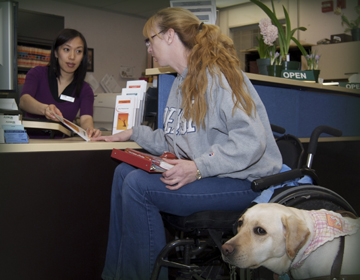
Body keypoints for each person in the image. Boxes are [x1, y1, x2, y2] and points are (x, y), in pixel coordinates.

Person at [92, 7, 282, 280]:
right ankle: (116, 275)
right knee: (123, 173)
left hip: (244, 181)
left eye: (151, 39)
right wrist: (133, 133)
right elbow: (175, 138)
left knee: (137, 185)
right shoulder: (182, 81)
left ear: (169, 36)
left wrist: (198, 166)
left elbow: (251, 140)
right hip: (214, 175)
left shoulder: (220, 76)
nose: (148, 47)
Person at [19, 28, 101, 138]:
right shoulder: (37, 73)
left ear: (83, 57)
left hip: (62, 146)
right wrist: (45, 109)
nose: (72, 57)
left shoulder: (85, 89)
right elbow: (24, 101)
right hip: (30, 142)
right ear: (56, 53)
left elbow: (86, 118)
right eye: (67, 49)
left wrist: (90, 130)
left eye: (78, 51)